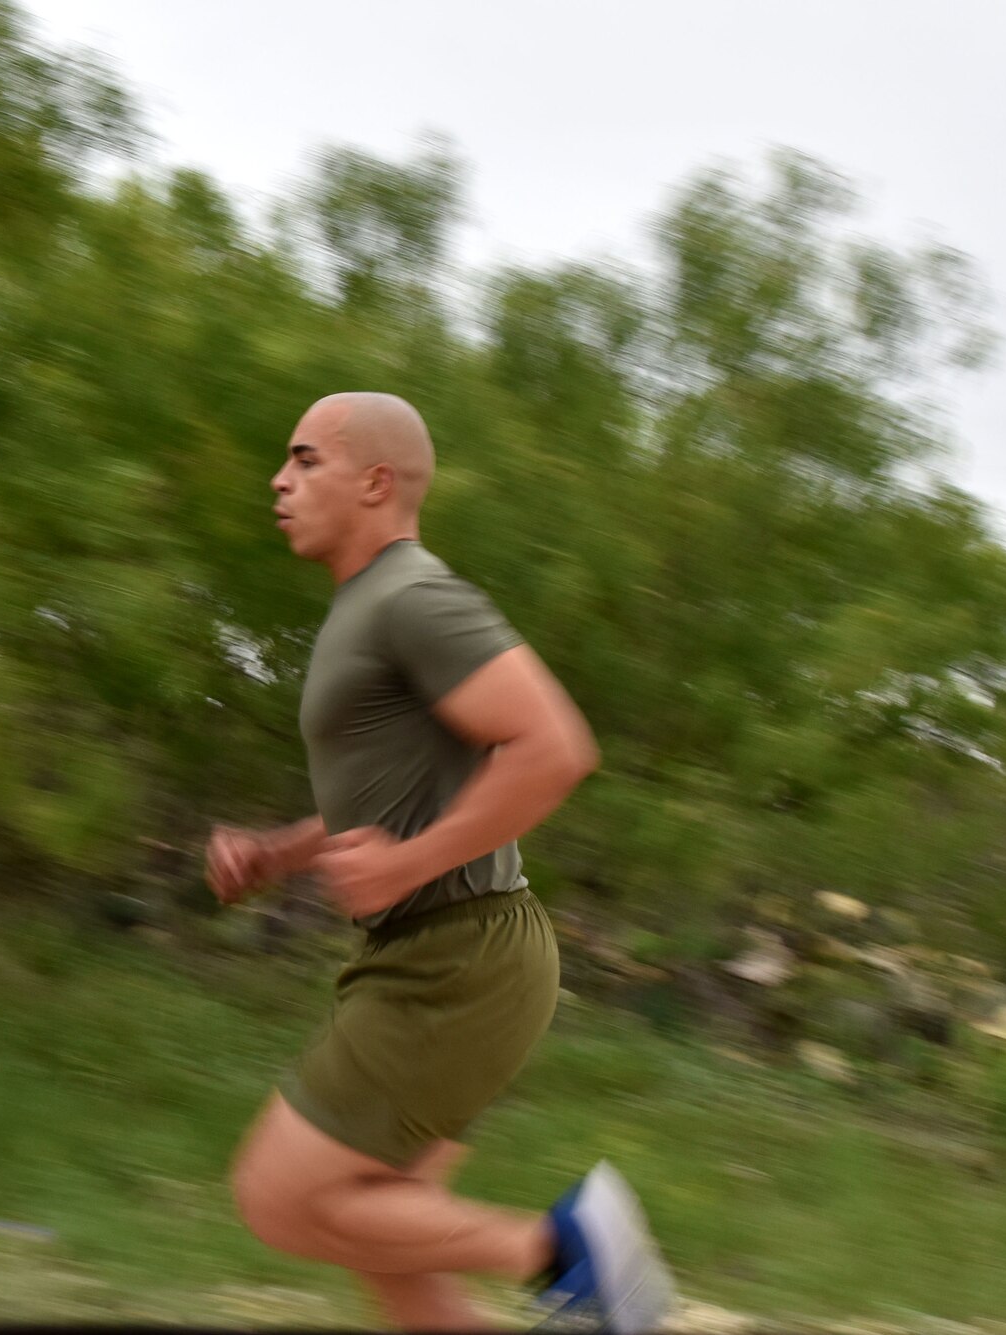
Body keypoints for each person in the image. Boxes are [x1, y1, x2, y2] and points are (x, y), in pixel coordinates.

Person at [205, 392, 675, 1333]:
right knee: (398, 1264)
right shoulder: (368, 608)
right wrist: (281, 851)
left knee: (279, 1198)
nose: (279, 479)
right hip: (448, 953)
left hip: (455, 959)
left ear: (376, 482)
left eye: (304, 460)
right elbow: (393, 792)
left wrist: (408, 862)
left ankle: (568, 1246)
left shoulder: (414, 597)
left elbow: (553, 746)